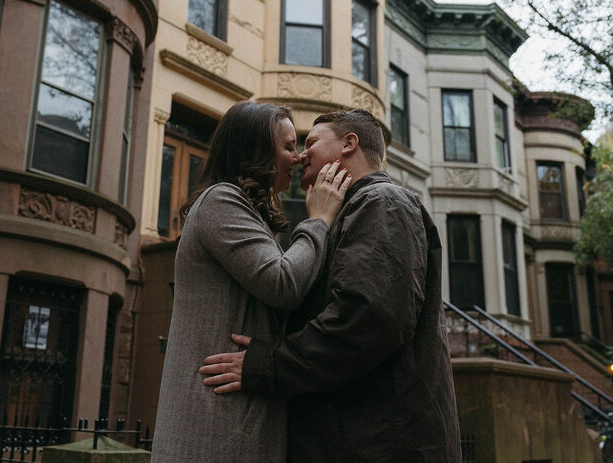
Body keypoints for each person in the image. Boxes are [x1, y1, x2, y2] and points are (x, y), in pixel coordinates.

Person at [200, 109, 462, 462]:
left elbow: (367, 320)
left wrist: (271, 366)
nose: (301, 155)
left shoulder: (383, 203)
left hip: (379, 444)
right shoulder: (354, 211)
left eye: (311, 142)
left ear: (349, 144)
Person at [150, 101, 352, 462]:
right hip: (214, 429)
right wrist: (319, 220)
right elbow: (283, 283)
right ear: (256, 150)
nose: (300, 157)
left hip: (236, 418)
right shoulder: (220, 201)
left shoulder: (247, 212)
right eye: (289, 146)